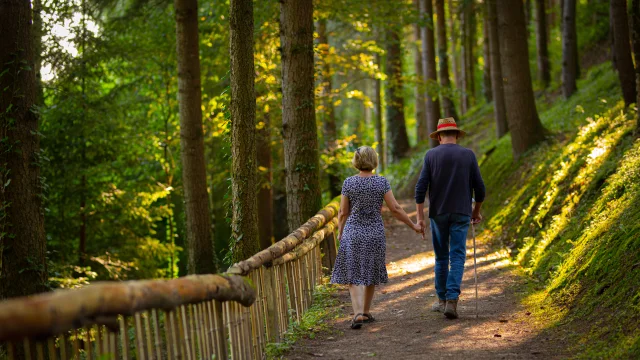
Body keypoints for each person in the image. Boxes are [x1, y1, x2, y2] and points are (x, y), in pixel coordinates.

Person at [331, 146, 423, 329]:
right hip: (374, 233)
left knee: (353, 273)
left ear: (356, 161)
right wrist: (413, 225)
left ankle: (357, 313)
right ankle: (365, 312)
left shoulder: (349, 183)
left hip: (353, 232)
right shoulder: (381, 182)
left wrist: (341, 231)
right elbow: (395, 208)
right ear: (374, 160)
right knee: (371, 271)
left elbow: (342, 212)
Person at [415, 117, 486, 319]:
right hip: (462, 212)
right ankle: (452, 300)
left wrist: (420, 218)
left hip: (438, 212)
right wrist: (476, 211)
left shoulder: (430, 156)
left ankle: (442, 300)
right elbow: (480, 189)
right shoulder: (468, 155)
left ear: (438, 137)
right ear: (456, 135)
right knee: (457, 256)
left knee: (441, 257)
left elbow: (420, 189)